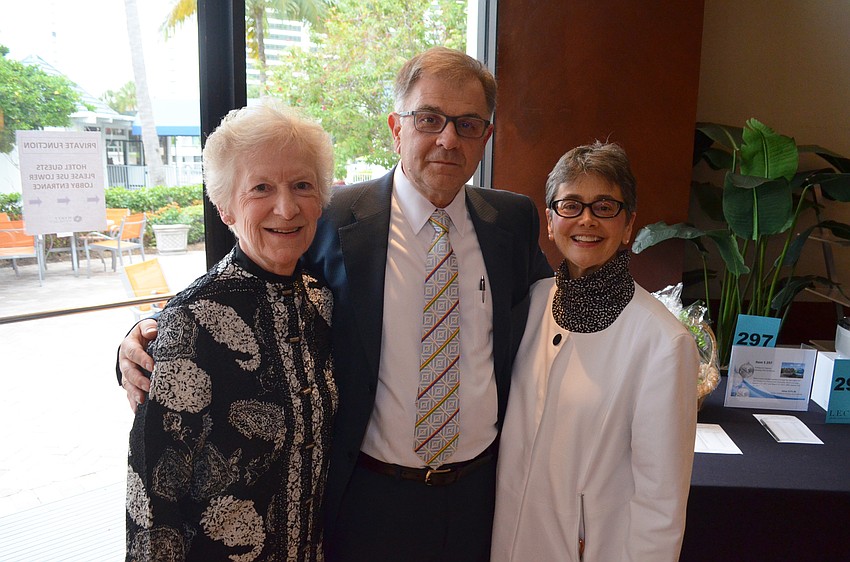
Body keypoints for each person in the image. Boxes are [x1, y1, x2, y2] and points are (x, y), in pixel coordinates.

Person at [119, 47, 552, 561]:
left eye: (468, 123)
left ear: (486, 135)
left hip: (480, 496)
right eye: (429, 118)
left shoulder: (513, 221)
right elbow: (249, 281)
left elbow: (550, 316)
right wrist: (150, 334)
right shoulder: (329, 216)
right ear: (397, 127)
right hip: (366, 501)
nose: (447, 138)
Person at [124, 100, 337, 561]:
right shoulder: (190, 322)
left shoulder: (321, 302)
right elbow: (153, 496)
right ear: (225, 208)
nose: (287, 207)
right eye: (261, 188)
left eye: (302, 185)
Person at [491, 141, 699, 561]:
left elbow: (661, 501)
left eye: (605, 206)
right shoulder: (531, 303)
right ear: (550, 222)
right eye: (571, 205)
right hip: (507, 540)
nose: (586, 219)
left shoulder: (664, 343)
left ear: (628, 225)